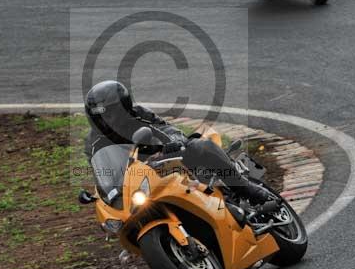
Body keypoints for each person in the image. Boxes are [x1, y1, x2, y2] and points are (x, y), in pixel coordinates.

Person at [84, 80, 272, 204]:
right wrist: (99, 193)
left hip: (168, 157)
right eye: (102, 115)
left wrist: (173, 142)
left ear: (124, 107)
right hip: (140, 178)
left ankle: (244, 188)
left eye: (112, 112)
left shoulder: (138, 114)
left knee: (200, 146)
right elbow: (102, 170)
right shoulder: (93, 142)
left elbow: (165, 129)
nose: (109, 119)